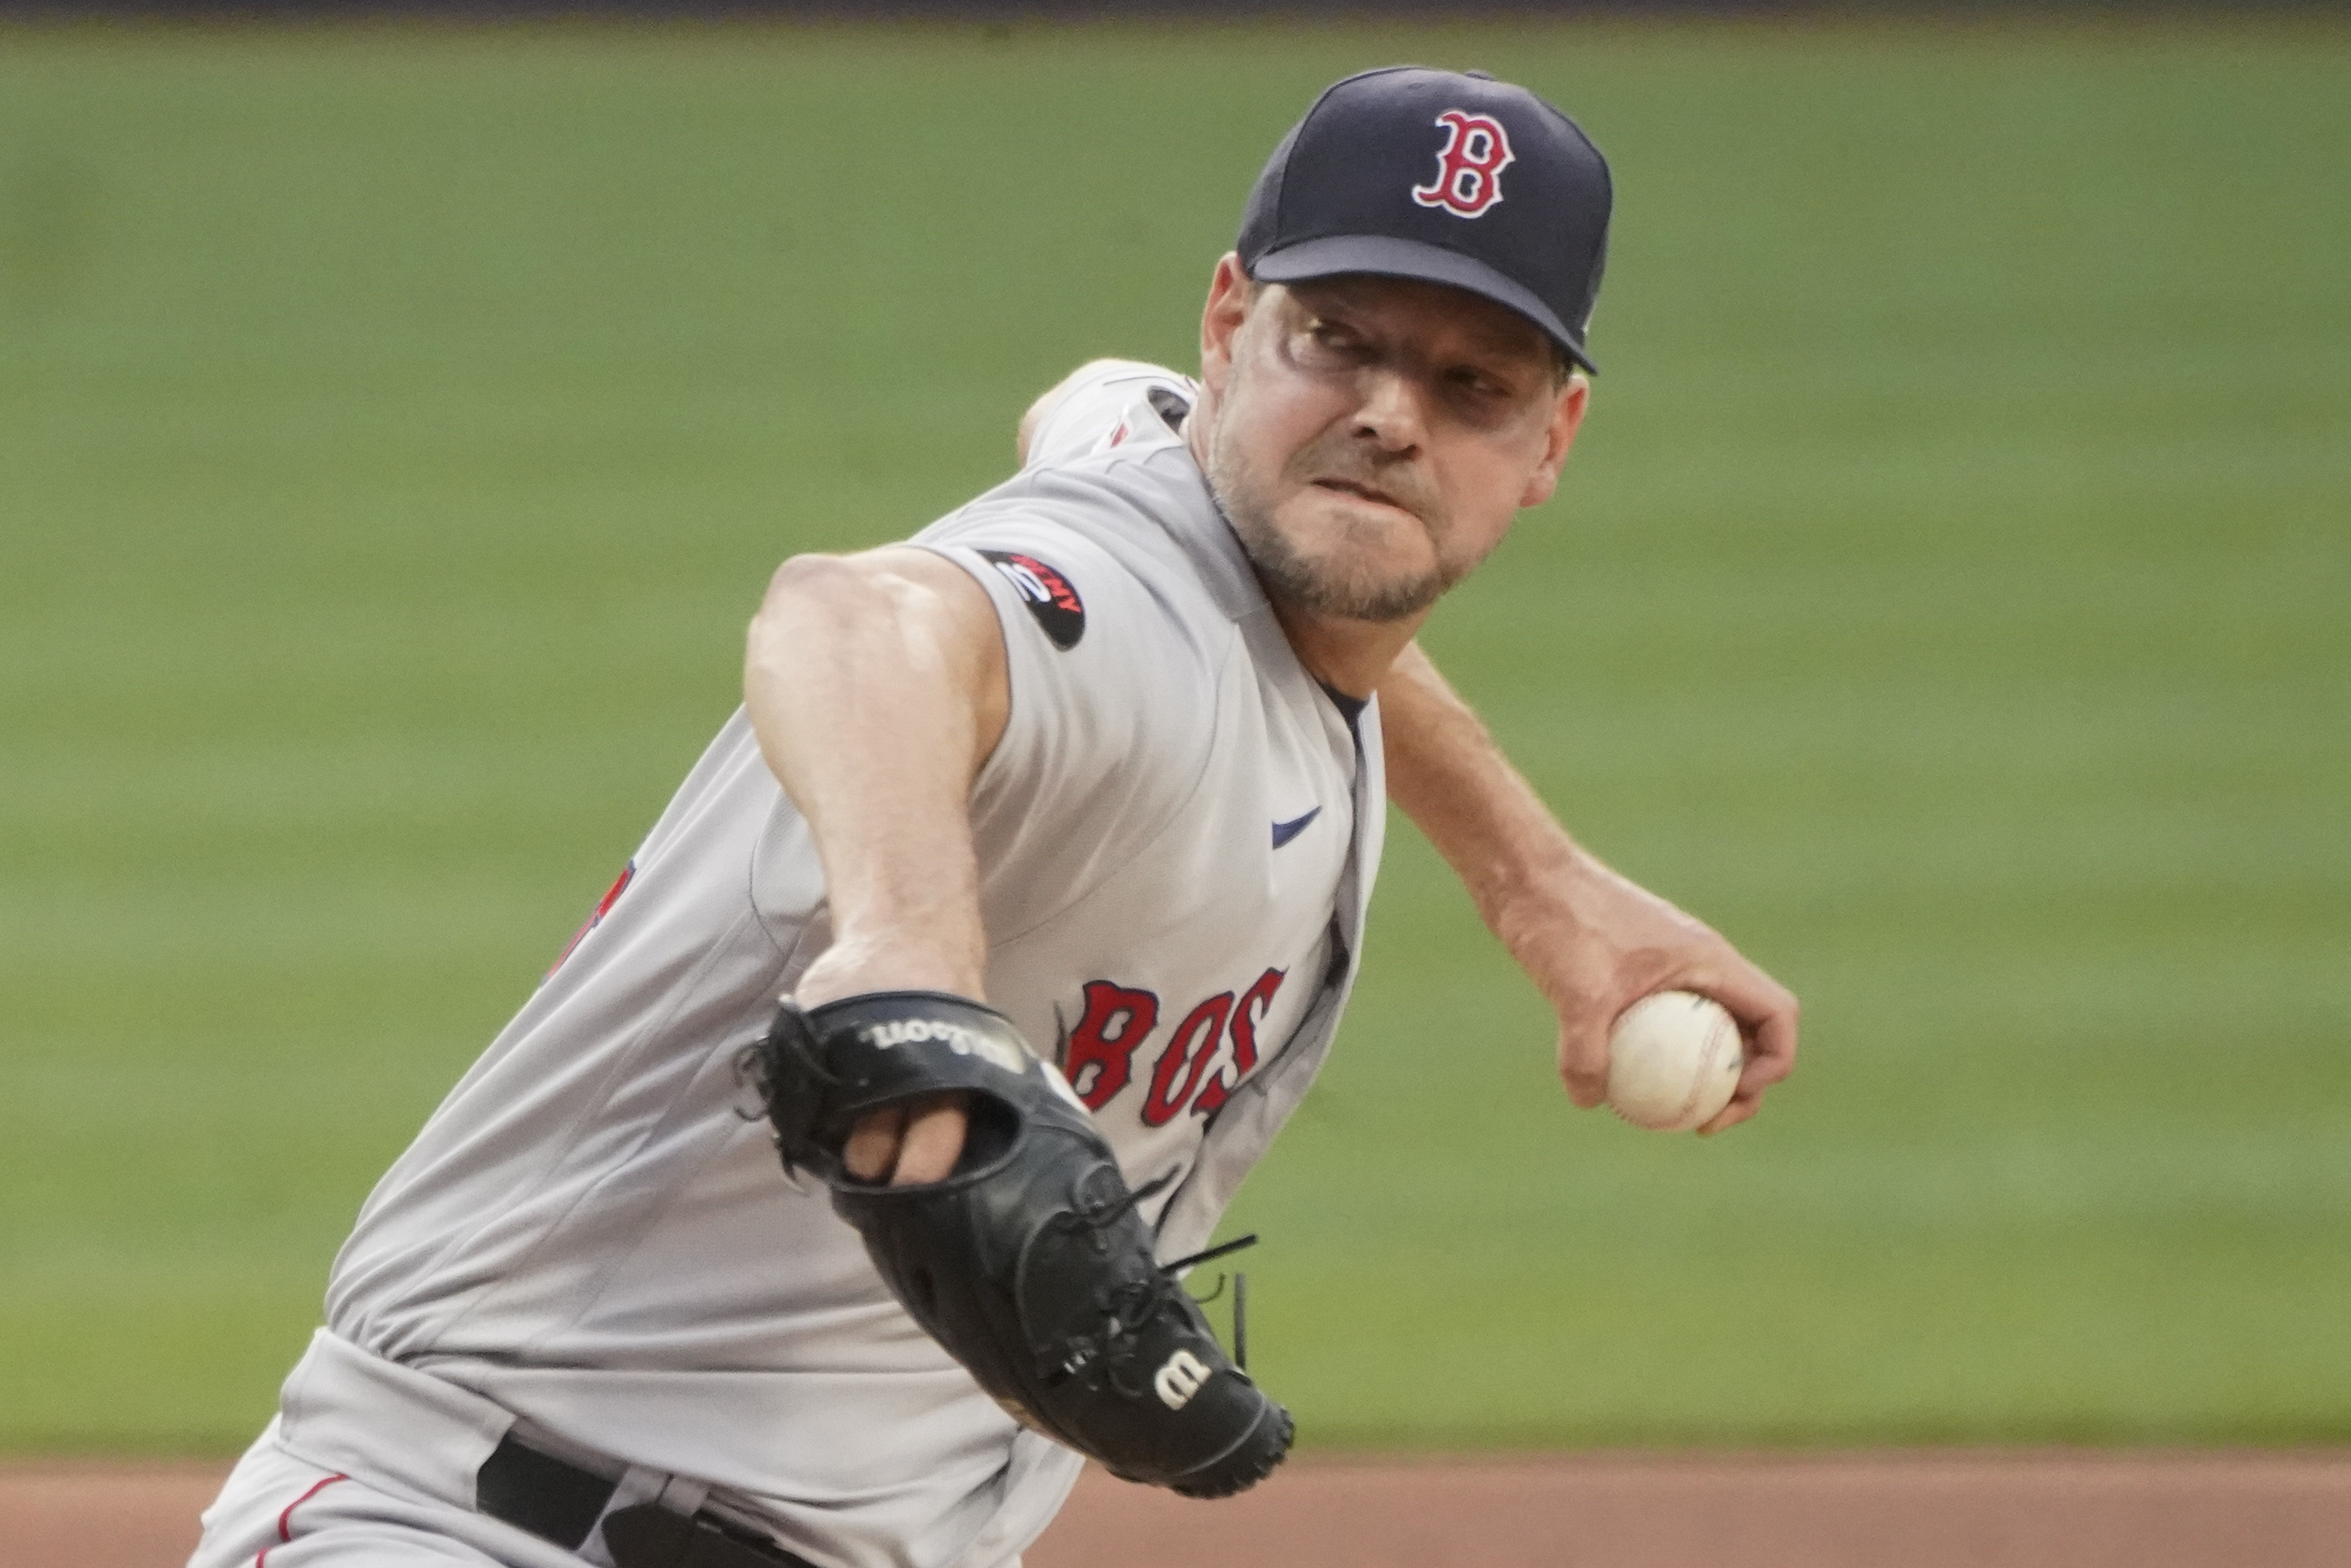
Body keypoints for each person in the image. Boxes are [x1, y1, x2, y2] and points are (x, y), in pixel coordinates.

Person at [187, 65, 1795, 1568]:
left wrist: (1537, 884)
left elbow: (1103, 405)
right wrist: (903, 968)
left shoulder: (1206, 498)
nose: (1387, 414)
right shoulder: (1125, 618)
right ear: (1232, 322)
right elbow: (857, 617)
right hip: (475, 1528)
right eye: (1338, 341)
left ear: (1548, 442)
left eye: (1468, 382)